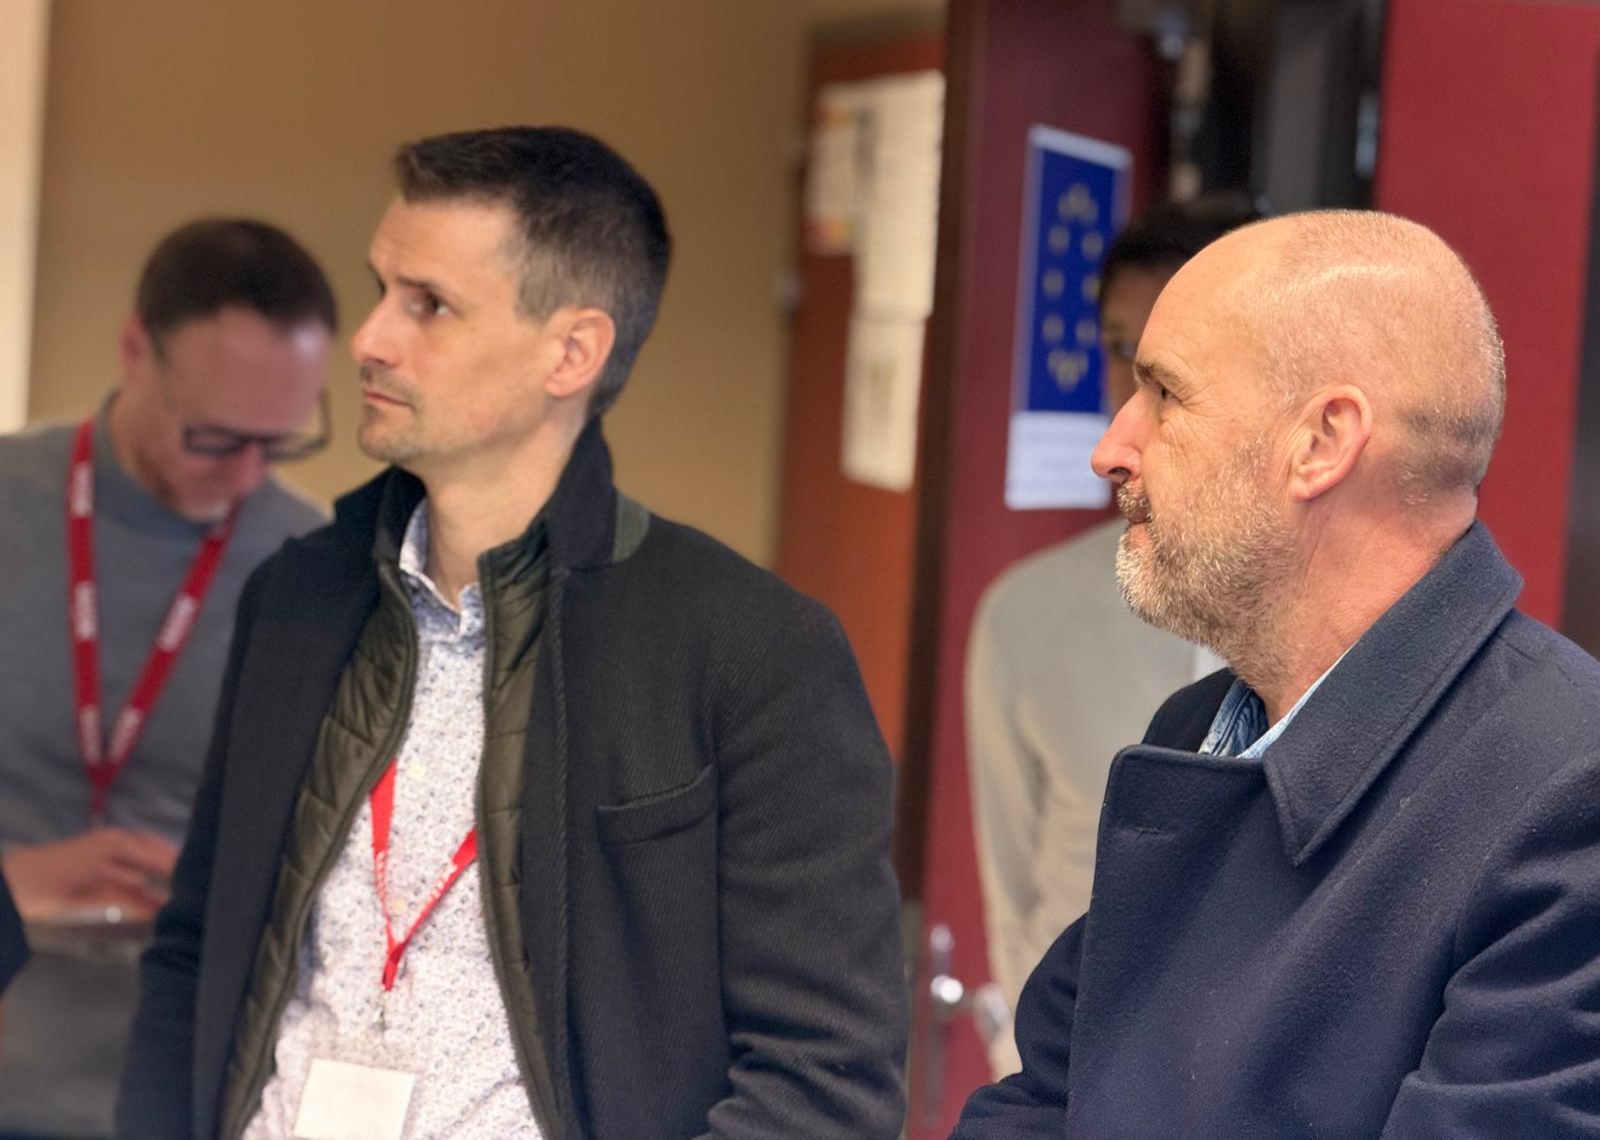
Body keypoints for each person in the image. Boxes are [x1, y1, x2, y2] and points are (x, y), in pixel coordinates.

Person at [116, 126, 907, 1140]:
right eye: (382, 290)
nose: (369, 339)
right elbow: (192, 952)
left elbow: (824, 1079)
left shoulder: (752, 651)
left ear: (571, 353)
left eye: (429, 305)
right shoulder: (295, 597)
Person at [954, 210, 1600, 1136]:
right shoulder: (1196, 732)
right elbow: (1040, 1103)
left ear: (1323, 442)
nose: (1112, 449)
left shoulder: (1568, 792)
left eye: (1165, 395)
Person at [0, 219, 336, 1138]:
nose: (247, 475)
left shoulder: (316, 567)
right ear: (134, 349)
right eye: (214, 435)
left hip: (184, 1093)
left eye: (278, 443)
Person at [964, 196, 1259, 1076]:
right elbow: (1014, 891)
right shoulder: (1029, 613)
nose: (1134, 393)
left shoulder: (1335, 615)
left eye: (1171, 363)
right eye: (1121, 349)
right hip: (1067, 1083)